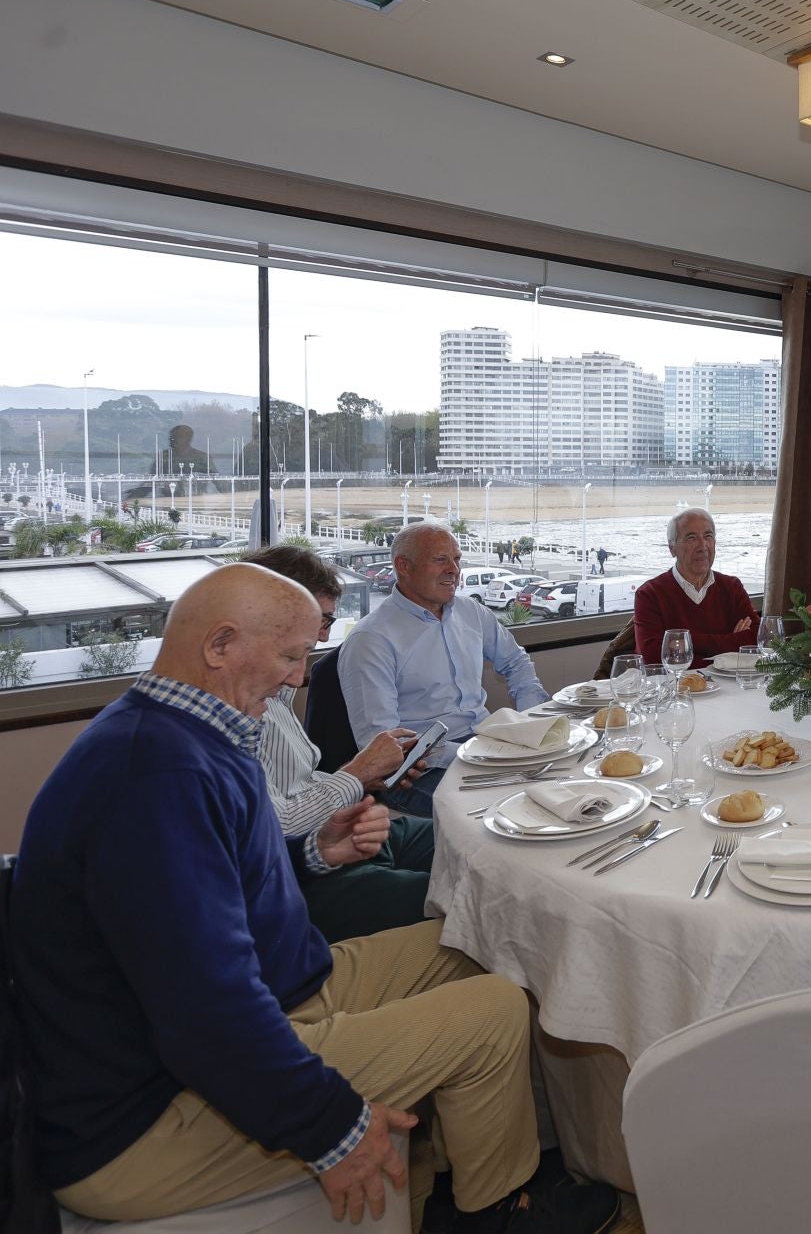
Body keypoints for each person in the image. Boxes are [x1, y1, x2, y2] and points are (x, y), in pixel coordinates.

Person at [10, 564, 617, 1233]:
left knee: (478, 935)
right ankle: (493, 1210)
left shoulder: (184, 731)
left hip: (274, 994)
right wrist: (332, 1126)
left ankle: (468, 1181)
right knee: (492, 1005)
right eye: (293, 655)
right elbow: (206, 1015)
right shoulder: (156, 777)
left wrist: (313, 851)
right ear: (219, 646)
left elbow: (214, 892)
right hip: (148, 1118)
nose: (301, 677)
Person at [240, 544, 438, 943]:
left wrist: (369, 776)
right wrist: (358, 773)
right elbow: (281, 825)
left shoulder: (276, 688)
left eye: (328, 619)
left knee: (468, 839)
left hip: (331, 833)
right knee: (455, 893)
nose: (325, 633)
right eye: (320, 619)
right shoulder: (235, 707)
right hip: (303, 875)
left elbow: (296, 782)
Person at [338, 522, 549, 816]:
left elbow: (516, 663)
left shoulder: (471, 612)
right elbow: (383, 741)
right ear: (404, 566)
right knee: (509, 811)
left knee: (561, 780)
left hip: (486, 742)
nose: (454, 570)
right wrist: (474, 753)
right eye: (440, 560)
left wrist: (532, 721)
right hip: (419, 768)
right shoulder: (372, 639)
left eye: (457, 559)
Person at [631, 507, 756, 667]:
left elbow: (754, 641)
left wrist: (686, 641)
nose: (702, 546)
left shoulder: (732, 587)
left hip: (728, 686)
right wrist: (729, 647)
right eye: (691, 538)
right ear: (672, 548)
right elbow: (653, 658)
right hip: (674, 689)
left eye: (708, 536)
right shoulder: (649, 594)